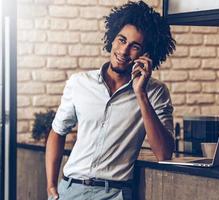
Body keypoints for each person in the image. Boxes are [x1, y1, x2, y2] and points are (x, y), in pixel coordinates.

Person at [45, 1, 176, 199]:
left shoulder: (156, 92)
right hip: (69, 190)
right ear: (112, 38)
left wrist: (141, 94)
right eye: (121, 40)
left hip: (114, 193)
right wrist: (51, 186)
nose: (123, 51)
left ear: (147, 55)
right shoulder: (79, 83)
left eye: (135, 46)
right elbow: (57, 131)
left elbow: (164, 154)